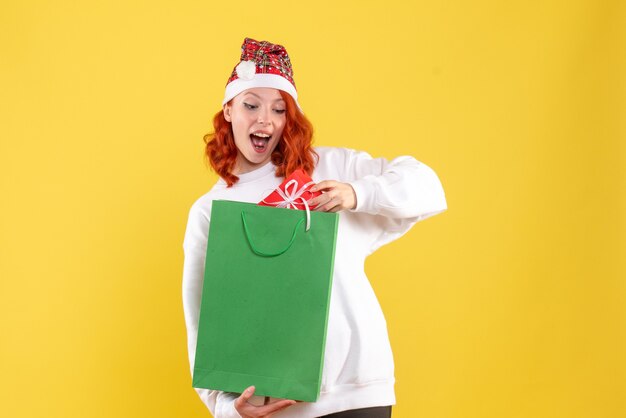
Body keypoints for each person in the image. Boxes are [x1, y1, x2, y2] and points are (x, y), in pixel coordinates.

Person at [182, 37, 448, 418]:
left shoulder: (328, 170)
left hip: (359, 391)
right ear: (228, 110)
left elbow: (428, 186)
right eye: (250, 105)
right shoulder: (210, 211)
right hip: (277, 400)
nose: (264, 120)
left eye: (278, 109)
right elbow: (200, 320)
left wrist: (358, 193)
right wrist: (225, 406)